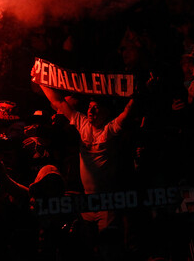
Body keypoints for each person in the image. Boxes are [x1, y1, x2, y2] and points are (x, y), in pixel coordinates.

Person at [39, 84, 137, 231]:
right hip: (87, 201)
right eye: (90, 107)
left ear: (106, 112)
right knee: (86, 244)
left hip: (107, 202)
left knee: (106, 244)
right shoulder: (83, 124)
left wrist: (136, 94)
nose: (91, 111)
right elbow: (58, 102)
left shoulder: (109, 129)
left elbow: (127, 112)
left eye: (96, 107)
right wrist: (41, 80)